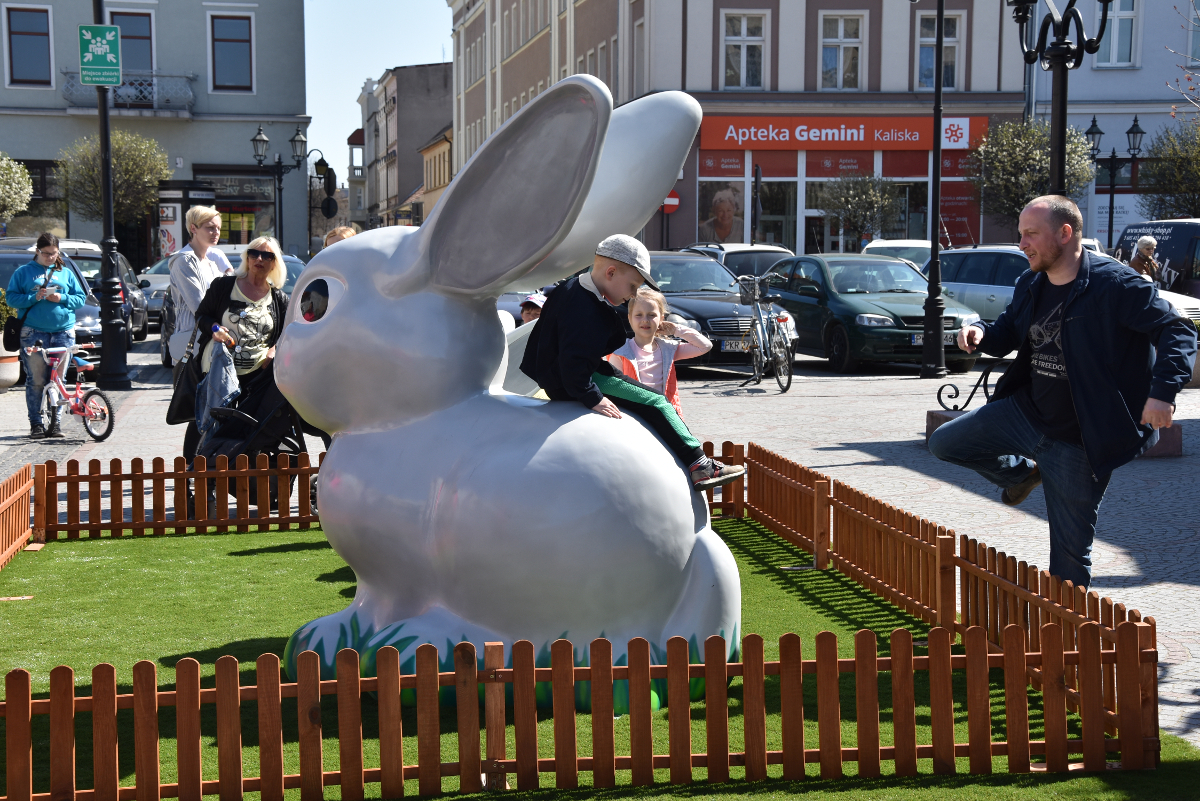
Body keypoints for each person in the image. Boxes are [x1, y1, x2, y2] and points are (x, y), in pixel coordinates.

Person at [928, 196, 1196, 589]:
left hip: (1080, 441)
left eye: (1031, 234)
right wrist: (981, 333)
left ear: (1065, 233)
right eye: (1021, 235)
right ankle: (1023, 475)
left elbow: (1178, 329)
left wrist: (1163, 393)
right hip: (1027, 413)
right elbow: (1006, 332)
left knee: (1069, 558)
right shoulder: (1031, 282)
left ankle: (1070, 642)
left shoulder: (1115, 283)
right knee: (946, 443)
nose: (1022, 245)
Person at [520, 234, 744, 491]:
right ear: (611, 272)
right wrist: (592, 397)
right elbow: (573, 361)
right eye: (633, 286)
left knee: (631, 388)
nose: (633, 295)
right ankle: (699, 464)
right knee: (657, 401)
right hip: (577, 379)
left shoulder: (572, 290)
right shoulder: (584, 307)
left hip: (570, 374)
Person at [5, 233, 88, 439]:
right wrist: (35, 297)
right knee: (36, 380)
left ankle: (56, 422)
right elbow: (11, 298)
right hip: (33, 331)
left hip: (63, 331)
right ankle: (36, 424)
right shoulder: (23, 272)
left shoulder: (66, 273)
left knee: (59, 379)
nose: (50, 257)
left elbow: (80, 298)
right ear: (37, 252)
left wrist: (61, 297)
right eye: (46, 254)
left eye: (54, 254)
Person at [607, 286, 711, 418]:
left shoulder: (668, 349)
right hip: (634, 415)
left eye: (652, 315)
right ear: (629, 318)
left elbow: (705, 346)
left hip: (664, 415)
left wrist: (676, 330)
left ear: (661, 319)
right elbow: (614, 387)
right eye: (639, 315)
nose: (645, 320)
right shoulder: (620, 351)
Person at [169, 206, 226, 364]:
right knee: (189, 388)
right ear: (193, 228)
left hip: (211, 340)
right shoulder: (184, 261)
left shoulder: (211, 263)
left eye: (218, 228)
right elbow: (199, 306)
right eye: (210, 228)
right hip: (191, 341)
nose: (216, 233)